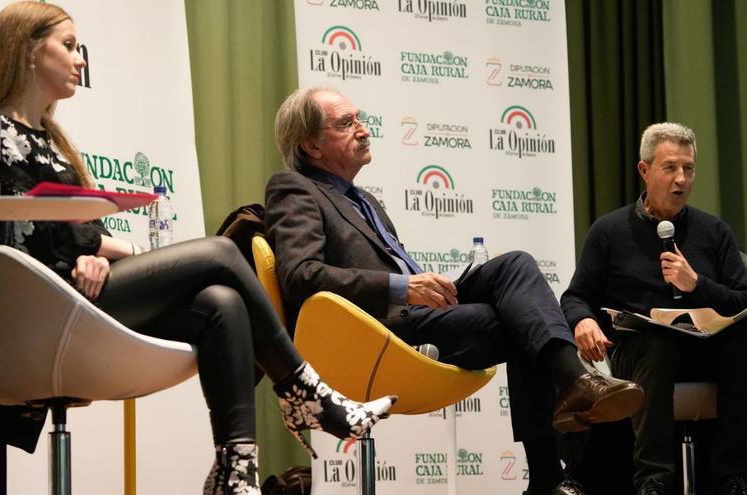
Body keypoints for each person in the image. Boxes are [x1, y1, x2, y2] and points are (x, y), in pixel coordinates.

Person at [0, 4, 395, 494]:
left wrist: (96, 249)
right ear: (30, 51)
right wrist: (90, 248)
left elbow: (76, 231)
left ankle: (234, 469)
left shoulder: (51, 142)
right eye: (69, 46)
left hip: (74, 289)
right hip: (38, 307)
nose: (80, 60)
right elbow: (14, 237)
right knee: (223, 254)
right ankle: (303, 390)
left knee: (221, 304)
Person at [264, 87, 645, 495]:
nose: (362, 129)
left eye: (359, 118)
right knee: (522, 324)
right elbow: (301, 275)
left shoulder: (367, 201)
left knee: (515, 265)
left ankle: (570, 404)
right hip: (378, 331)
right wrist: (403, 287)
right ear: (311, 145)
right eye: (346, 123)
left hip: (415, 312)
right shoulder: (295, 188)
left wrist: (420, 286)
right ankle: (556, 458)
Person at [560, 123, 747, 495]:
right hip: (638, 353)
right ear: (644, 170)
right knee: (658, 342)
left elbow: (746, 301)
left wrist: (697, 285)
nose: (681, 179)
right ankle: (654, 481)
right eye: (670, 168)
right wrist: (583, 320)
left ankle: (732, 479)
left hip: (703, 349)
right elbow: (574, 297)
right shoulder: (609, 231)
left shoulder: (713, 232)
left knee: (742, 339)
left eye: (688, 169)